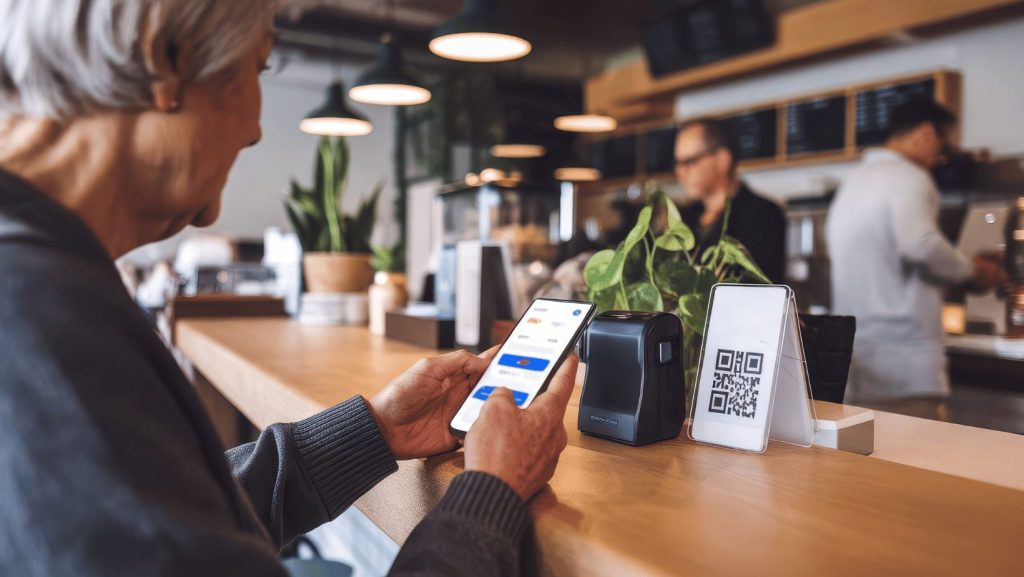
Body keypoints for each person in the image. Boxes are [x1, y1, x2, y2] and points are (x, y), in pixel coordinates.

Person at [0, 2, 574, 576]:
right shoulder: (44, 323)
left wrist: (372, 431)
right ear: (167, 66)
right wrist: (490, 492)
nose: (255, 130)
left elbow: (175, 516)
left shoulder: (42, 286)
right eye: (260, 67)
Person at [826, 97, 1002, 413]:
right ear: (926, 134)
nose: (940, 159)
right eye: (943, 148)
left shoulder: (854, 181)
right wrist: (973, 270)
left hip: (858, 355)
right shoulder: (909, 176)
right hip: (904, 359)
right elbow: (920, 243)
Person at [674, 118, 787, 283]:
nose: (680, 172)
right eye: (677, 163)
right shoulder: (686, 217)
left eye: (690, 161)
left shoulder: (762, 215)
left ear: (722, 160)